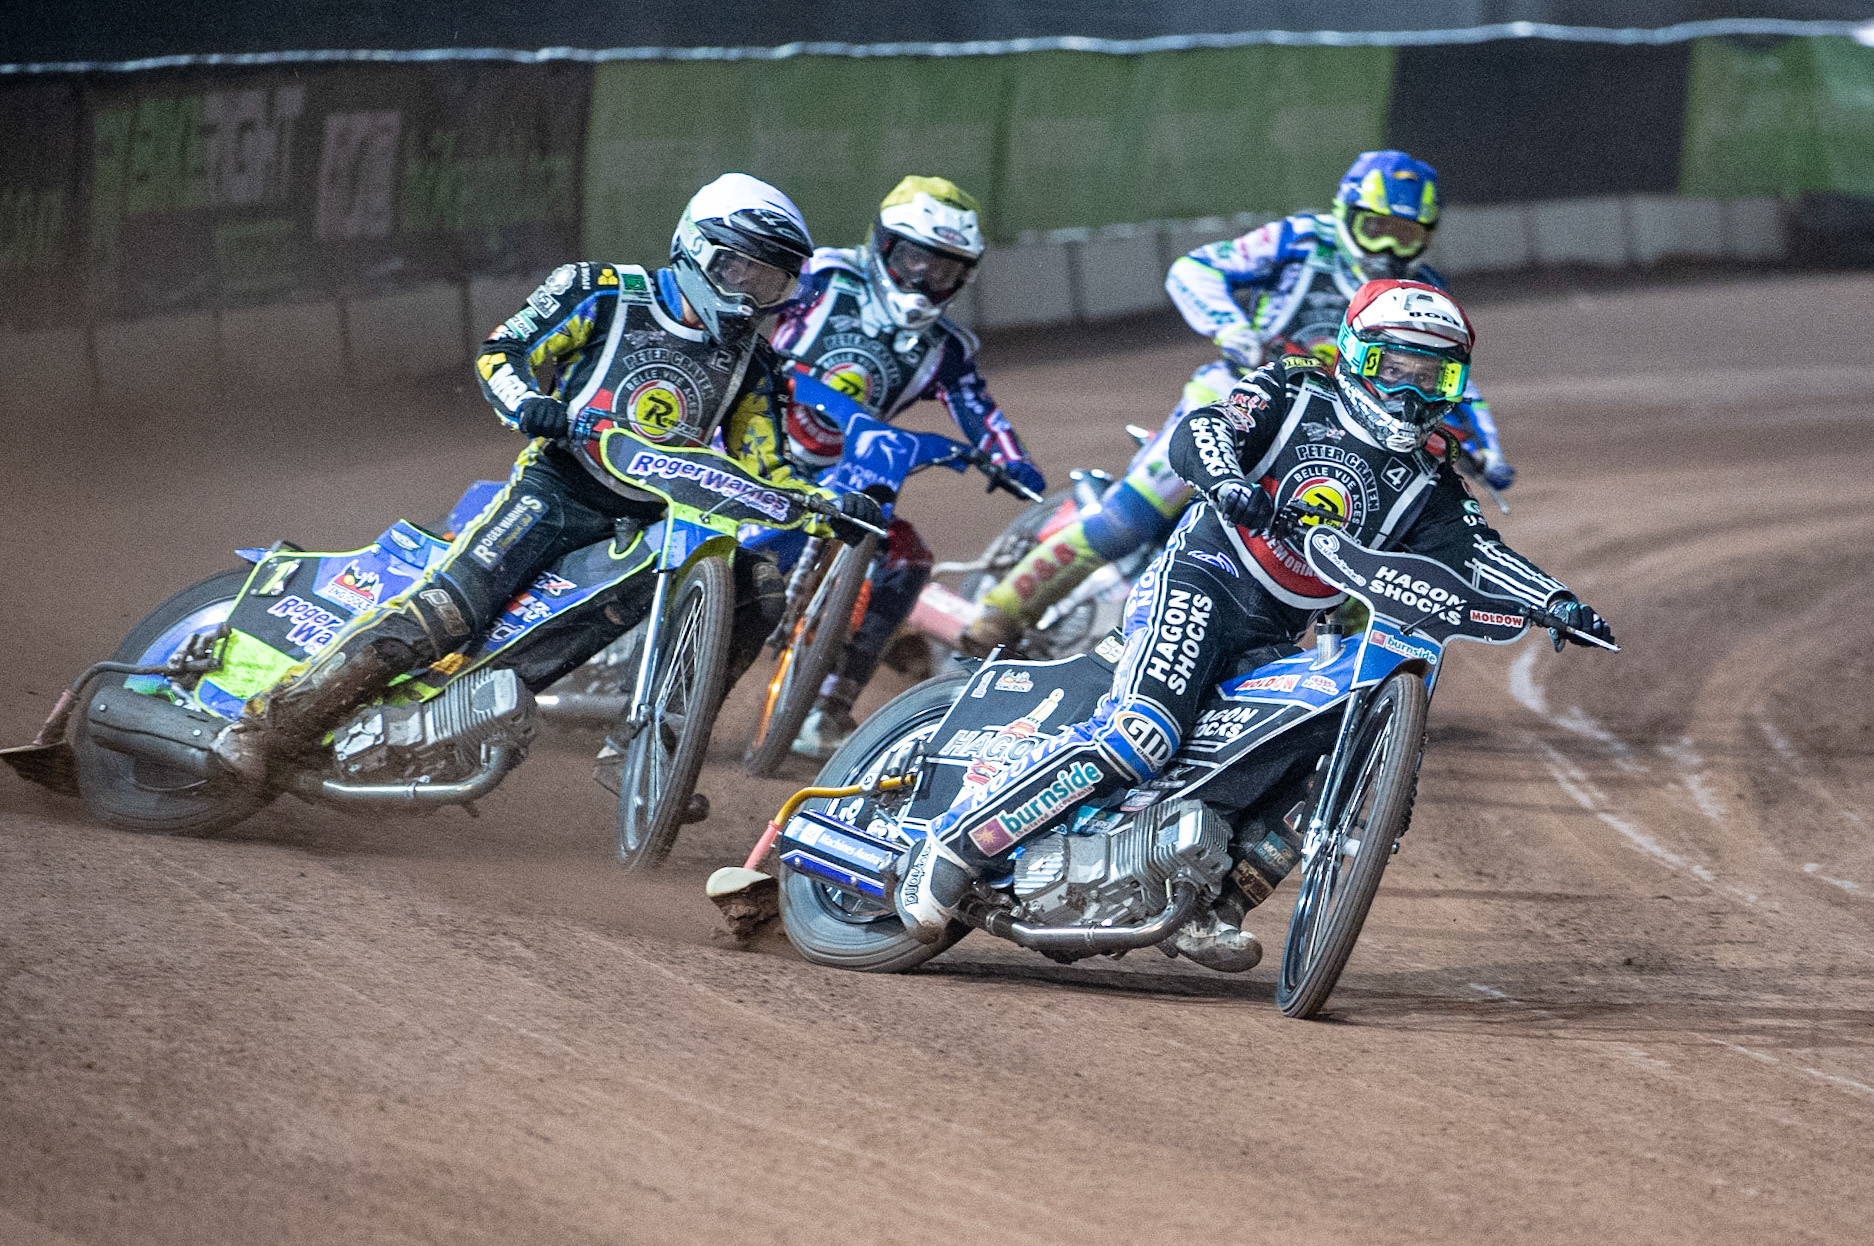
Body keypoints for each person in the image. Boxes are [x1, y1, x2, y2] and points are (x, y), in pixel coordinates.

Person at [894, 279, 1613, 965]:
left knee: (1316, 758)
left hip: (1280, 632)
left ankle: (1215, 906)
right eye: (1394, 368)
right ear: (1357, 356)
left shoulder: (1432, 478)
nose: (1409, 392)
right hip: (1201, 580)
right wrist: (1231, 482)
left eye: (1433, 379)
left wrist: (1556, 603)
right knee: (1142, 734)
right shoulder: (1292, 390)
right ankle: (956, 847)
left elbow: (1483, 552)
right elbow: (1202, 431)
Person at [220, 174, 882, 779]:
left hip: (654, 522)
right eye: (737, 268)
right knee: (450, 612)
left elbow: (765, 462)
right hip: (557, 487)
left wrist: (820, 500)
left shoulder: (755, 368)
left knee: (756, 588)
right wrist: (531, 405)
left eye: (769, 283)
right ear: (694, 247)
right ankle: (266, 726)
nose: (749, 294)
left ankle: (651, 751)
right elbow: (501, 352)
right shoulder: (598, 291)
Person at [964, 149, 1514, 654]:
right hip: (1242, 400)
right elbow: (1195, 268)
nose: (1391, 250)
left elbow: (1452, 377)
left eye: (1407, 237)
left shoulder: (1423, 295)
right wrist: (1231, 328)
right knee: (1130, 518)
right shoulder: (1302, 241)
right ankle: (1000, 615)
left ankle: (1340, 693)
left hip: (1342, 435)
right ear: (1345, 217)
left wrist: (1485, 451)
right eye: (1377, 230)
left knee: (1361, 562)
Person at [764, 175, 1046, 759]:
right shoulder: (822, 277)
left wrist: (1010, 459)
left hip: (845, 478)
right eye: (915, 260)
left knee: (908, 557)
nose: (924, 280)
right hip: (750, 446)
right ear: (885, 246)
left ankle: (829, 708)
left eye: (944, 271)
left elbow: (976, 405)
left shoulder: (945, 346)